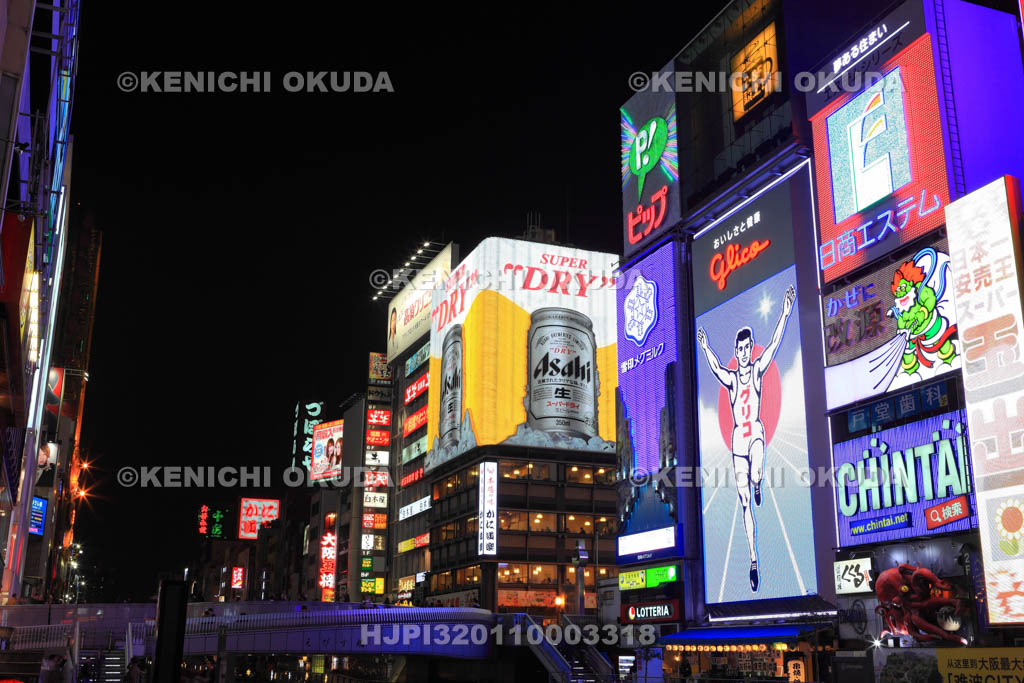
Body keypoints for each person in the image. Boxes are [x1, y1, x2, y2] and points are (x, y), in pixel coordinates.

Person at [696, 284, 795, 593]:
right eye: (738, 350)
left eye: (746, 348)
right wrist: (705, 346)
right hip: (740, 439)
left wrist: (785, 311)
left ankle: (758, 481)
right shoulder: (730, 378)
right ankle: (754, 560)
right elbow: (713, 367)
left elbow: (777, 342)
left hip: (755, 432)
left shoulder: (757, 370)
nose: (742, 353)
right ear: (735, 352)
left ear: (750, 348)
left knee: (756, 469)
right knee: (743, 505)